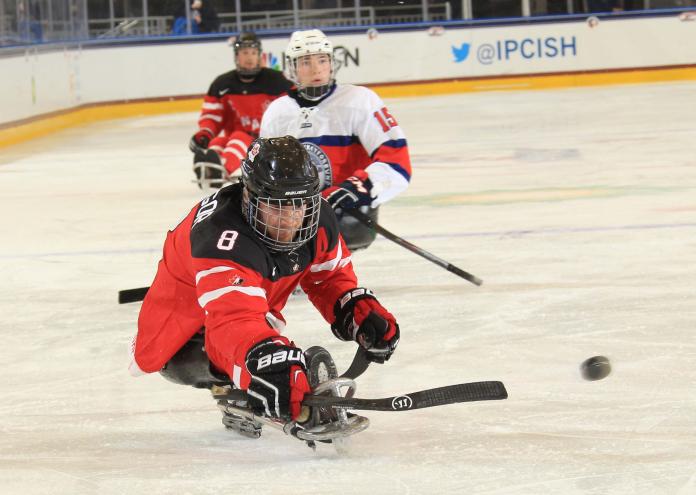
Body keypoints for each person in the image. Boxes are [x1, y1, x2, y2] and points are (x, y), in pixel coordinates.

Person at [129, 136, 400, 437]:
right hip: (186, 313)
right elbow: (231, 320)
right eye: (276, 206)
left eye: (299, 205)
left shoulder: (318, 216)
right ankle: (227, 384)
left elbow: (329, 277)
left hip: (251, 296)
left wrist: (355, 311)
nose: (290, 219)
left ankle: (253, 370)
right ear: (249, 196)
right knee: (182, 359)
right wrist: (264, 360)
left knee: (262, 345)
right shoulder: (220, 237)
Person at [260, 29, 412, 251]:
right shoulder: (277, 111)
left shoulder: (360, 101)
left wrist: (358, 188)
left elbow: (397, 162)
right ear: (292, 68)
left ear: (332, 63)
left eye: (322, 59)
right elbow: (265, 173)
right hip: (295, 219)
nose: (316, 68)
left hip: (349, 217)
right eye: (306, 62)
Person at [190, 32, 293, 189]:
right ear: (237, 56)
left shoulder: (278, 81)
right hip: (237, 140)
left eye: (253, 53)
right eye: (245, 53)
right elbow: (212, 116)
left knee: (239, 137)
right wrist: (205, 134)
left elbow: (294, 109)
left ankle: (222, 169)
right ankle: (209, 167)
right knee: (218, 141)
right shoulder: (222, 84)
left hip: (268, 143)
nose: (249, 57)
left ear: (259, 55)